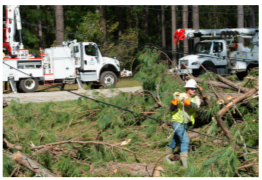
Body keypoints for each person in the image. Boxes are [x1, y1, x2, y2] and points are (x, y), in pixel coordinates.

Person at [165, 79, 200, 168]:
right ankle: (185, 163)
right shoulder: (180, 96)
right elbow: (172, 109)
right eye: (192, 88)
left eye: (195, 88)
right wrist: (174, 100)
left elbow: (195, 106)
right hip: (177, 121)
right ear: (187, 89)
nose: (194, 90)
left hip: (185, 123)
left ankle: (167, 156)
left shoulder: (196, 98)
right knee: (185, 140)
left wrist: (186, 101)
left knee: (176, 139)